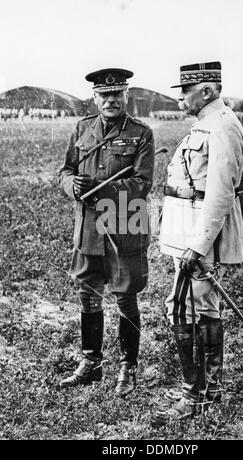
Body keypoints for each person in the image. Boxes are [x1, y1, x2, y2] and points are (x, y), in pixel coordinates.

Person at [157, 62, 243, 421]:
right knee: (198, 308)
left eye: (185, 90)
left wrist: (198, 245)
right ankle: (206, 393)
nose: (180, 97)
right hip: (187, 231)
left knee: (186, 308)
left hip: (199, 237)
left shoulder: (222, 126)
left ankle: (195, 397)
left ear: (207, 92)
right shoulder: (206, 124)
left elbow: (220, 194)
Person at [58, 68, 155, 396]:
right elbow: (65, 170)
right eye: (104, 95)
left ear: (126, 96)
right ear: (95, 97)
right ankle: (91, 362)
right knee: (88, 294)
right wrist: (72, 184)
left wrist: (99, 188)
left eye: (117, 94)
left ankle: (128, 368)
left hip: (125, 222)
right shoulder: (83, 128)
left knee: (125, 297)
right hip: (89, 227)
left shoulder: (142, 133)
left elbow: (142, 185)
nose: (111, 100)